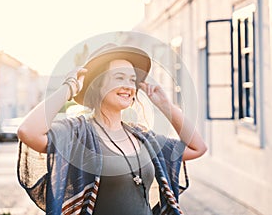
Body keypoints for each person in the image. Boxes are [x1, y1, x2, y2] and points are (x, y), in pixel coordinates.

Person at [17, 44, 207, 215]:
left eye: (132, 80)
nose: (128, 85)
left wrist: (166, 106)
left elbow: (197, 147)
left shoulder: (142, 137)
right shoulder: (78, 134)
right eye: (119, 77)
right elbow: (28, 131)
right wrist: (70, 87)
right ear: (97, 85)